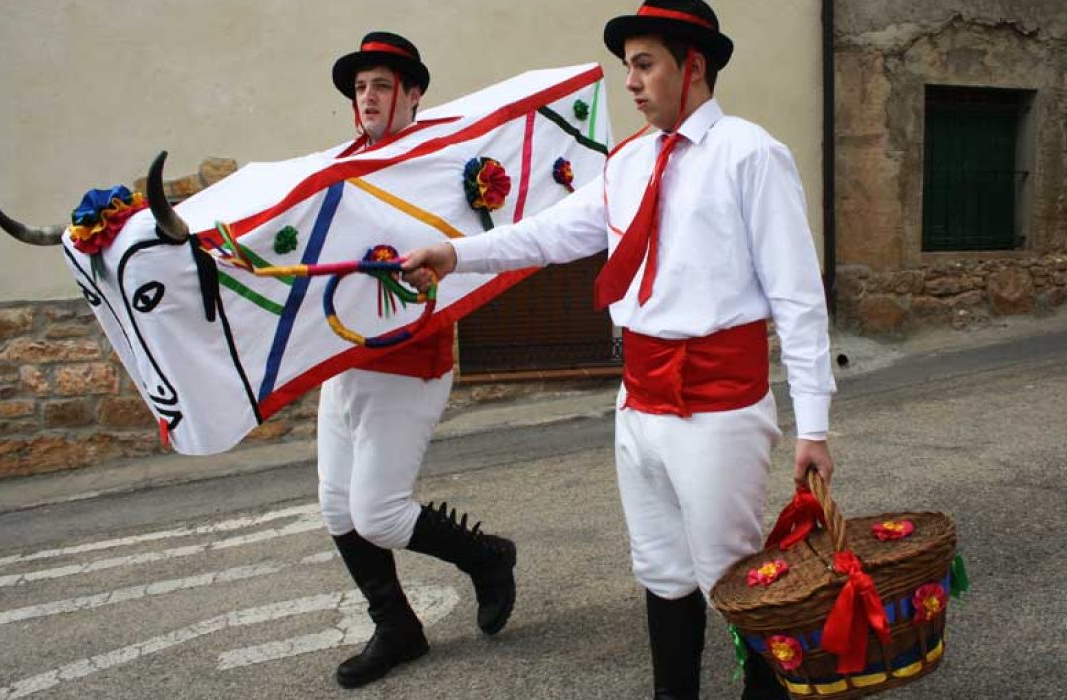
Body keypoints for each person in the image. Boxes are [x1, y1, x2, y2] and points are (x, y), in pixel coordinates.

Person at [402, 2, 836, 698]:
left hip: (717, 403)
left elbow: (798, 298)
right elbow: (546, 236)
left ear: (692, 66)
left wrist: (813, 424)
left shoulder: (750, 154)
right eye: (626, 66)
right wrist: (455, 253)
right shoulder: (629, 161)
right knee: (660, 567)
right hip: (639, 399)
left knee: (733, 576)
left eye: (644, 64)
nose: (629, 82)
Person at [319, 32, 516, 690]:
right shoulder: (339, 163)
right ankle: (398, 627)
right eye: (359, 88)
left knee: (377, 512)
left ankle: (487, 558)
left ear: (412, 93)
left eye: (379, 85)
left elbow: (463, 249)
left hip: (410, 359)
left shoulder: (436, 163)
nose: (366, 98)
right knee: (337, 509)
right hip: (342, 356)